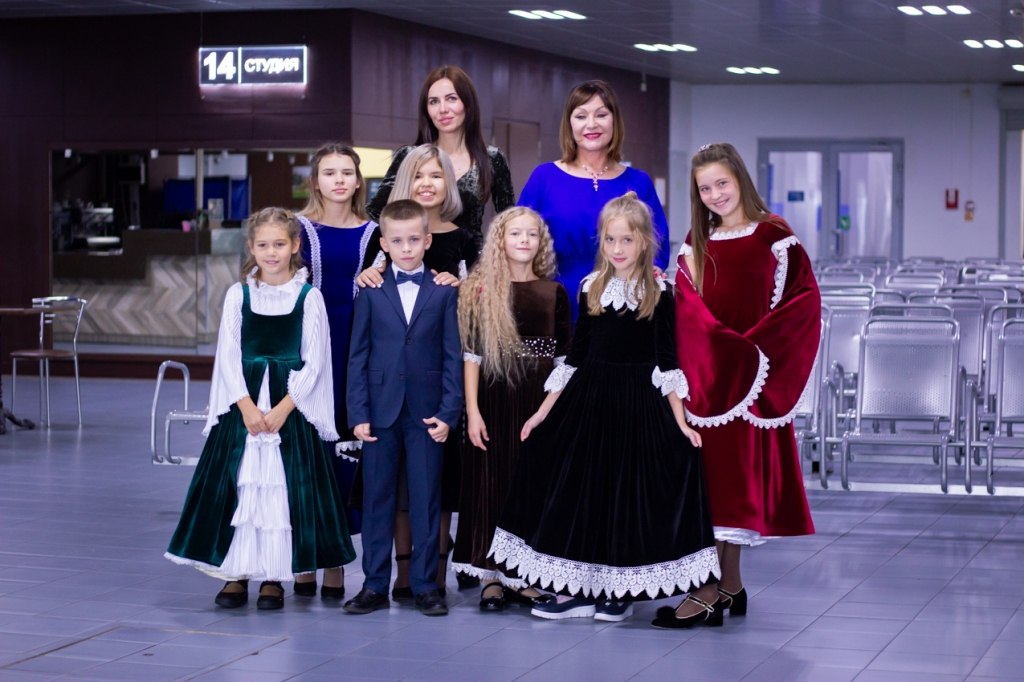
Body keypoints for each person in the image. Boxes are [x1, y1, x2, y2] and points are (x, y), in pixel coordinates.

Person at [489, 192, 720, 626]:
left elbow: (667, 359)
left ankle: (619, 590)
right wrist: (543, 411)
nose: (617, 248)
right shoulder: (590, 286)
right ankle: (577, 589)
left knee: (626, 490)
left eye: (626, 240)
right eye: (610, 239)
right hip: (589, 399)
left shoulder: (660, 292)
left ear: (644, 241)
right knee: (581, 488)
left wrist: (680, 422)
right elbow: (576, 355)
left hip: (639, 402)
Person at [165, 207, 355, 611]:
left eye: (280, 244)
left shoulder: (308, 297)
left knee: (281, 491)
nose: (272, 252)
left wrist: (285, 408)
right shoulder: (239, 294)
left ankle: (273, 576)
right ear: (251, 248)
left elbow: (316, 361)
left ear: (295, 246)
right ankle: (236, 573)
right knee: (241, 485)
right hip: (245, 407)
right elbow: (228, 355)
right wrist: (246, 406)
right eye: (264, 245)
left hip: (289, 409)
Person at [668, 142, 819, 624]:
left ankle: (709, 591)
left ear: (740, 180)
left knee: (731, 491)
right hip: (709, 380)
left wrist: (749, 353)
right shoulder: (698, 240)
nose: (715, 195)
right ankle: (728, 586)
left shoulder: (774, 236)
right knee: (710, 488)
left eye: (722, 183)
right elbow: (687, 305)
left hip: (750, 380)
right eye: (704, 188)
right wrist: (715, 351)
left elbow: (802, 302)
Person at [356, 145, 472, 599]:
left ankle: (426, 586)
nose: (406, 248)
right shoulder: (370, 291)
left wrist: (449, 412)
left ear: (427, 242)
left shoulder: (444, 292)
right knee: (377, 502)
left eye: (413, 241)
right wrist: (358, 413)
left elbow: (453, 356)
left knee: (426, 502)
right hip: (379, 413)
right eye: (397, 241)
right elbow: (357, 357)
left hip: (428, 414)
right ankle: (372, 586)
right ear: (384, 244)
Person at [451, 206, 571, 612]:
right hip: (492, 400)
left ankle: (524, 576)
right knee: (490, 482)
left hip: (538, 403)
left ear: (542, 243)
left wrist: (549, 411)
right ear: (500, 240)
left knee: (531, 484)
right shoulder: (480, 290)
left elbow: (564, 362)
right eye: (515, 233)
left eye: (532, 234)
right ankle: (490, 576)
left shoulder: (554, 293)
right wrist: (472, 412)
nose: (524, 240)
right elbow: (472, 356)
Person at [294, 142, 377, 601]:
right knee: (308, 451)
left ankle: (336, 561)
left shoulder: (376, 232)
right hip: (308, 345)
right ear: (316, 181)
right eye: (329, 172)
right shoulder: (297, 229)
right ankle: (305, 557)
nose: (339, 180)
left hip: (356, 346)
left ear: (358, 180)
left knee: (344, 453)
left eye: (347, 172)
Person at [518, 80, 668, 320]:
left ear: (614, 120)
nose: (591, 124)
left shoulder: (639, 181)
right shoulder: (544, 177)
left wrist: (652, 270)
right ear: (569, 124)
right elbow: (515, 238)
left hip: (623, 301)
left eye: (601, 115)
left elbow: (657, 245)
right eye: (581, 116)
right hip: (557, 300)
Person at [366, 65, 515, 252]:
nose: (443, 109)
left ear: (468, 104)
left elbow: (508, 220)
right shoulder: (410, 156)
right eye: (434, 101)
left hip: (470, 261)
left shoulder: (492, 158)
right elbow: (376, 211)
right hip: (414, 259)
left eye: (451, 98)